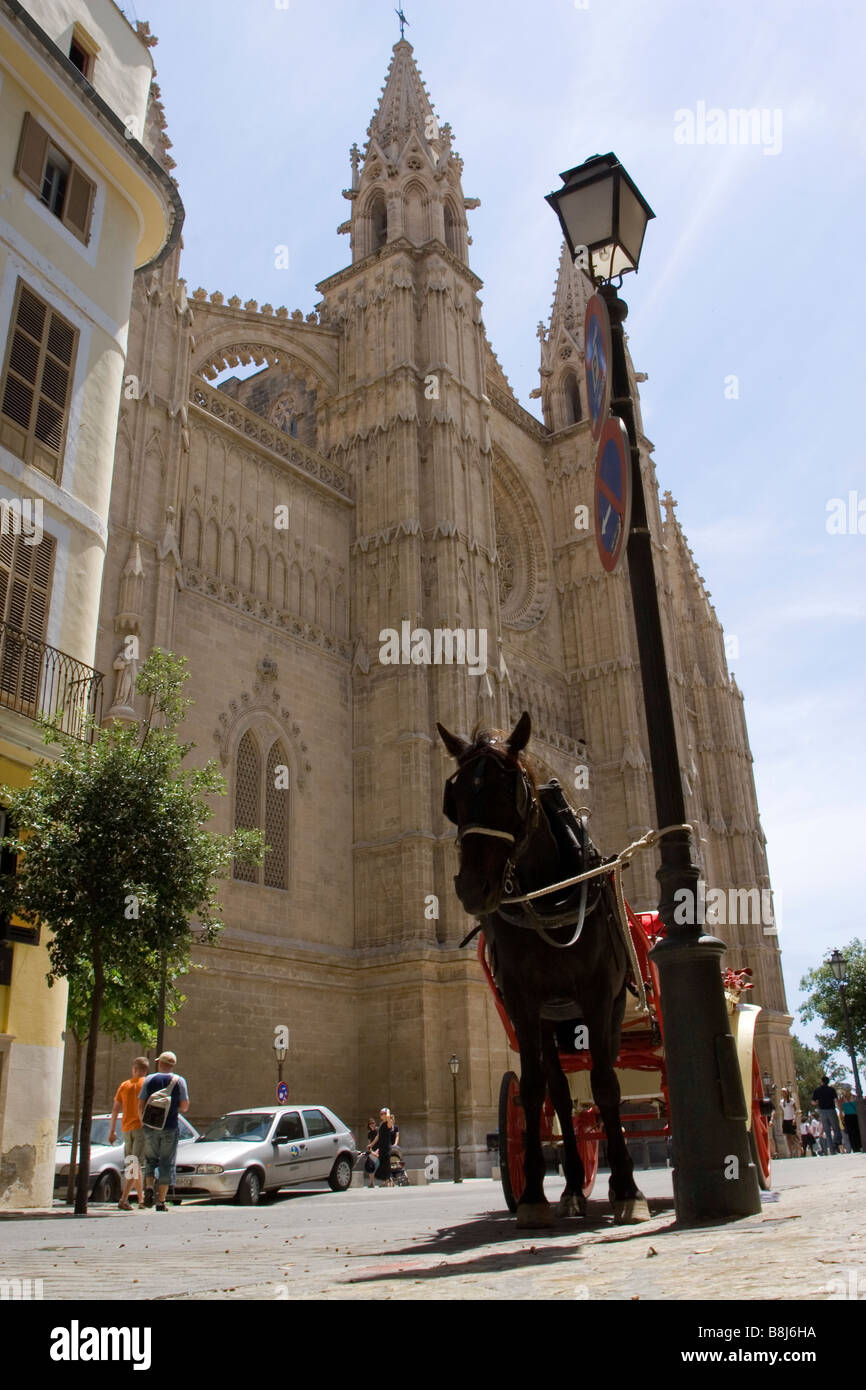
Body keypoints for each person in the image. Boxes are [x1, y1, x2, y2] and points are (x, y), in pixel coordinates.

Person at [138, 1050, 190, 1210]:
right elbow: (185, 1106)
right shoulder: (179, 1081)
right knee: (167, 1163)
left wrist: (144, 1121)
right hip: (170, 1127)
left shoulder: (150, 1079)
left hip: (150, 1127)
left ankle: (147, 1187)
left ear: (160, 1063)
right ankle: (161, 1201)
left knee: (150, 1160)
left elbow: (141, 1103)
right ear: (173, 1065)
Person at [108, 1056, 149, 1209]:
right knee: (135, 1163)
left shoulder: (124, 1085)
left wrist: (112, 1131)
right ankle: (124, 1199)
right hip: (140, 1128)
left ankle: (141, 1199)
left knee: (133, 1163)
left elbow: (115, 1109)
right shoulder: (146, 1084)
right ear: (145, 1070)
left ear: (134, 1069)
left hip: (126, 1128)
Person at [812, 1076, 842, 1155]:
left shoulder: (817, 1090)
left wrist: (819, 1102)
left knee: (827, 1132)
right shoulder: (831, 1090)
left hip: (822, 1112)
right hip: (831, 1110)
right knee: (836, 1129)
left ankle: (832, 1151)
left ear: (821, 1081)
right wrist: (840, 1110)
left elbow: (813, 1102)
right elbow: (835, 1100)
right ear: (828, 1082)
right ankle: (835, 1143)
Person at [374, 1107, 394, 1187]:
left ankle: (386, 1181)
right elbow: (378, 1136)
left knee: (385, 1164)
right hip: (381, 1147)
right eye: (381, 1114)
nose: (382, 1115)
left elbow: (388, 1118)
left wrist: (388, 1111)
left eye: (384, 1114)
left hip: (386, 1147)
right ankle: (389, 1180)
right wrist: (372, 1144)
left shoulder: (389, 1122)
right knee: (382, 1164)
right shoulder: (382, 1124)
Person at [780, 1088, 800, 1157]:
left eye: (784, 1092)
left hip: (791, 1119)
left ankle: (798, 1151)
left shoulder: (791, 1101)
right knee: (787, 1137)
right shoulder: (781, 1101)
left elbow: (796, 1110)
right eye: (782, 1092)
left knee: (794, 1137)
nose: (783, 1093)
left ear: (787, 1093)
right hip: (785, 1120)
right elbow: (783, 1112)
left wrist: (794, 1119)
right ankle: (790, 1153)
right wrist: (783, 1120)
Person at [364, 1117, 378, 1188]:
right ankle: (372, 1183)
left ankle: (387, 1182)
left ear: (375, 1123)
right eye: (370, 1124)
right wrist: (372, 1152)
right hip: (373, 1152)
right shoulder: (369, 1133)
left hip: (380, 1150)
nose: (372, 1125)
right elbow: (369, 1144)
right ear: (369, 1125)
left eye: (373, 1123)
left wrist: (377, 1151)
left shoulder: (378, 1131)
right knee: (370, 1165)